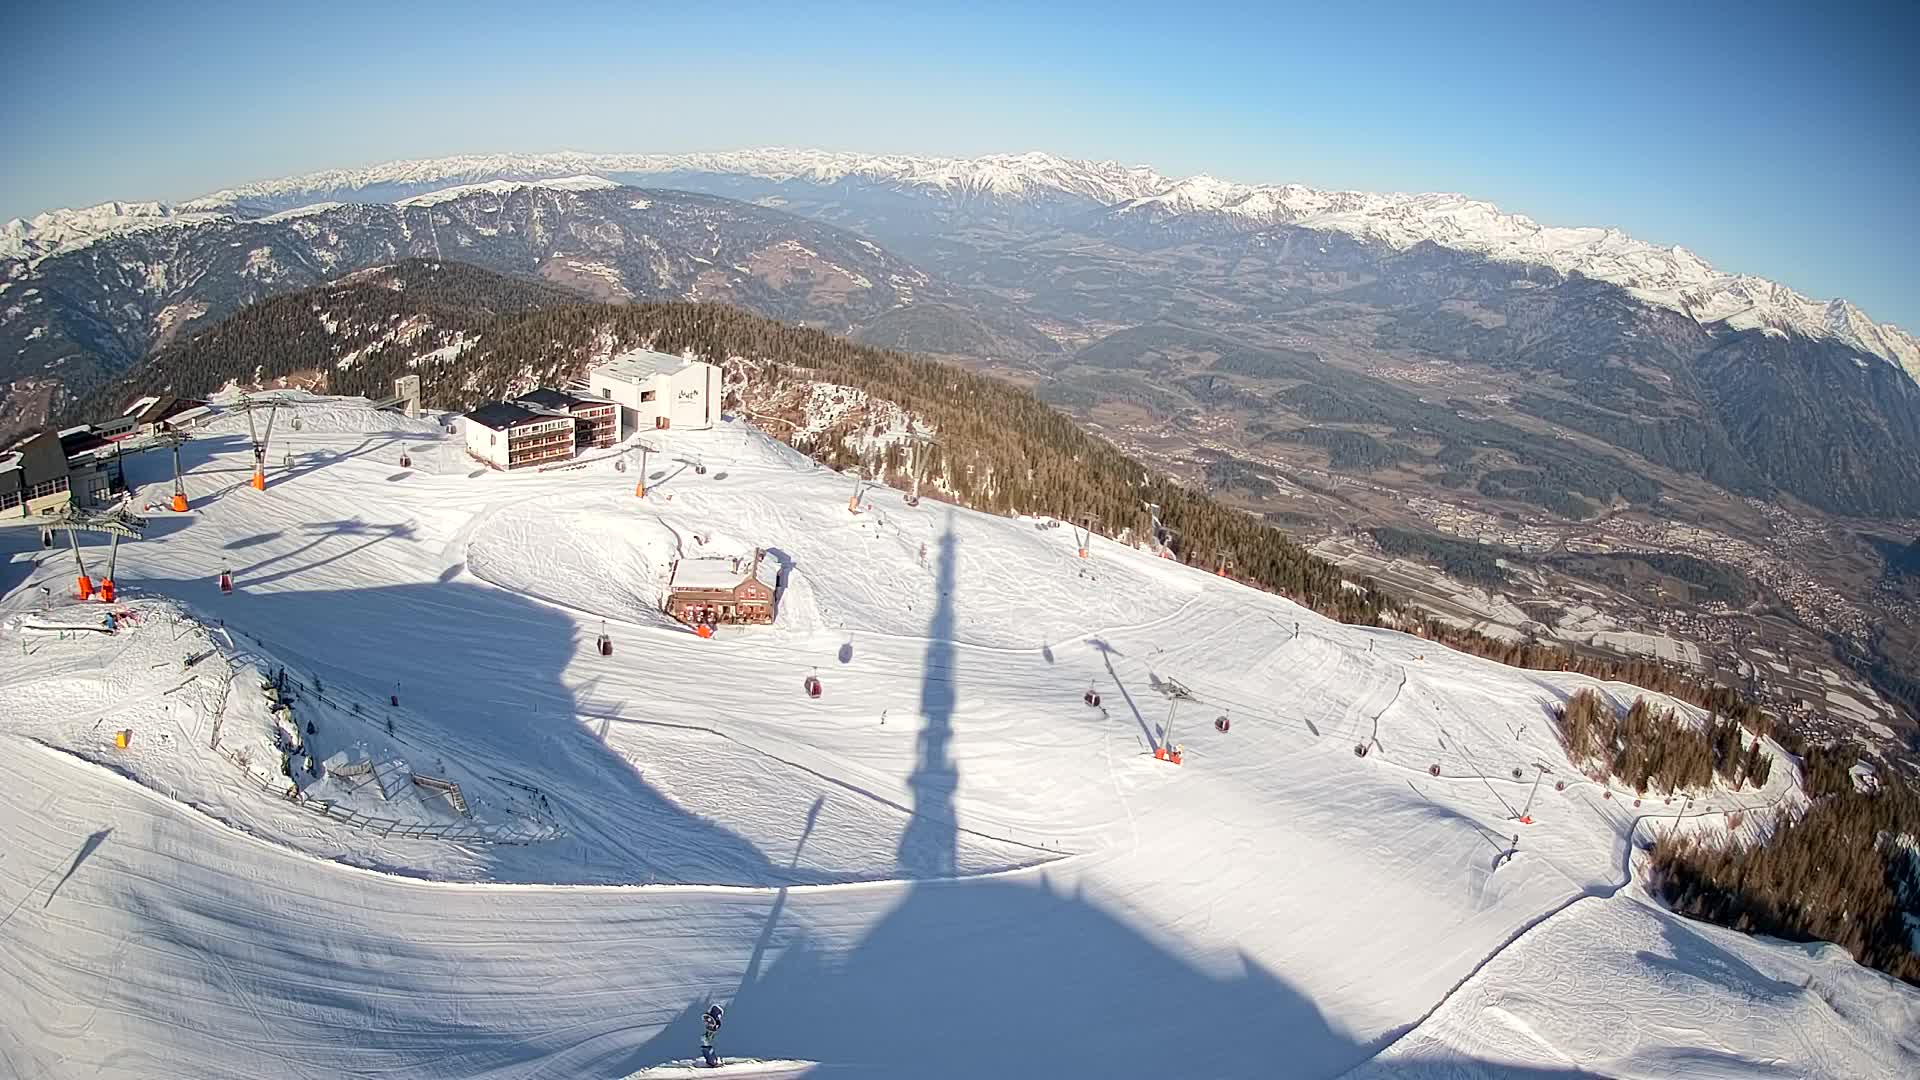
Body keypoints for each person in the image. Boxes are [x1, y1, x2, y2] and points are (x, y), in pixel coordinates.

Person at [699, 1003, 725, 1068]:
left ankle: (712, 1061)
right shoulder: (710, 1024)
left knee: (708, 1044)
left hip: (712, 1032)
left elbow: (715, 1025)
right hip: (710, 1032)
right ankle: (711, 1061)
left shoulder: (716, 1024)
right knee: (706, 1044)